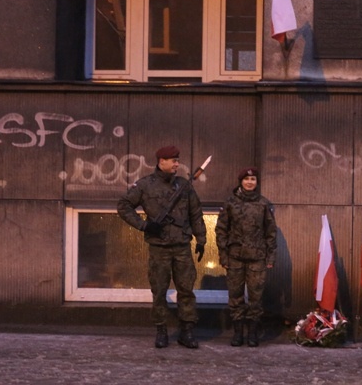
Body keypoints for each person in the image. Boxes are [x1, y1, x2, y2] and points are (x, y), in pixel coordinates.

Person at [117, 145, 206, 349]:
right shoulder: (145, 185)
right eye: (173, 160)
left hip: (182, 246)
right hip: (159, 248)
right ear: (161, 161)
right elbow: (123, 206)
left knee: (186, 290)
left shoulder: (184, 185)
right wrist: (144, 225)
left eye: (177, 160)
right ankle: (161, 330)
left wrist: (201, 239)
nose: (177, 164)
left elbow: (195, 213)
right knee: (159, 290)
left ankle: (187, 331)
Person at [215, 167, 277, 347]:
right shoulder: (230, 203)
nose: (250, 182)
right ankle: (237, 333)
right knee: (235, 296)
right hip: (235, 258)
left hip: (257, 258)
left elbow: (270, 233)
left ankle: (252, 334)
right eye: (247, 179)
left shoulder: (264, 204)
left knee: (256, 298)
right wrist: (223, 255)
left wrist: (270, 257)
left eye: (253, 179)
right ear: (240, 181)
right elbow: (221, 231)